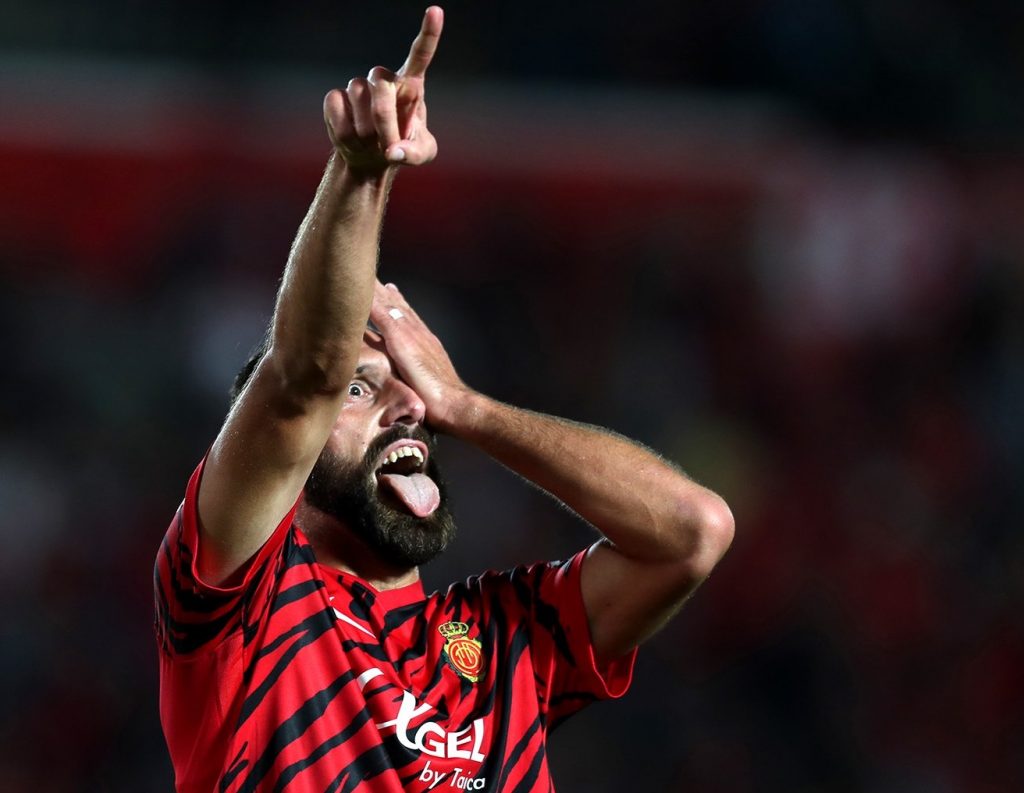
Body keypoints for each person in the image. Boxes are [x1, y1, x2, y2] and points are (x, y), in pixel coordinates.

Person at [153, 7, 734, 792]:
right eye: (363, 388)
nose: (406, 405)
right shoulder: (246, 605)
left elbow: (691, 531)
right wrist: (361, 171)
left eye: (406, 386)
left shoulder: (502, 638)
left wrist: (468, 406)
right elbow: (300, 379)